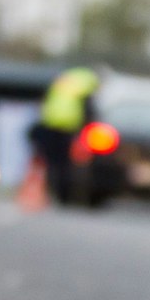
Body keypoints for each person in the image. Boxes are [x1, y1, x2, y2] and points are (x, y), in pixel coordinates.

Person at [33, 64, 98, 205]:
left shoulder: (61, 82)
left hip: (50, 125)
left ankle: (51, 191)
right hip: (69, 128)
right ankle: (63, 195)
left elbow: (46, 103)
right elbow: (88, 110)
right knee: (65, 164)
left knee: (52, 162)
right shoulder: (85, 86)